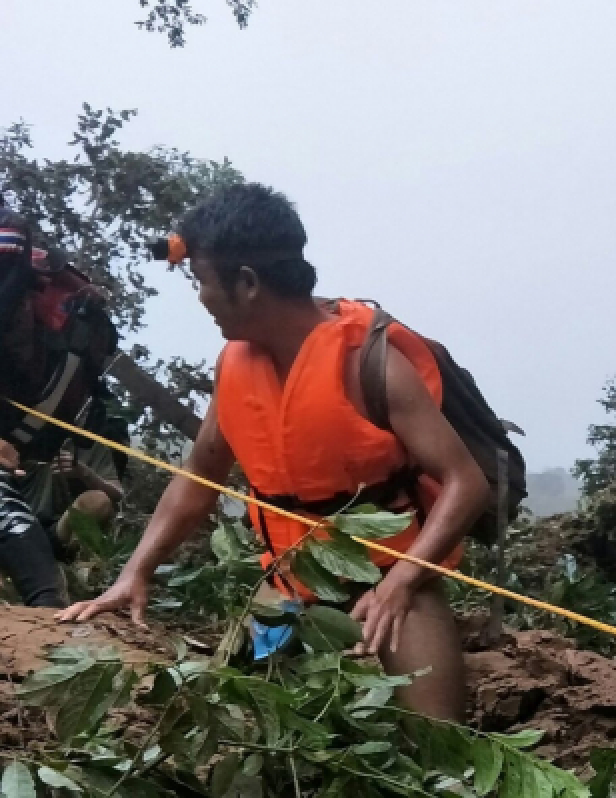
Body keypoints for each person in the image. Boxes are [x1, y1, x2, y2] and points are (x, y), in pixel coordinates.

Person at [58, 183, 487, 721]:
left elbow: (466, 483)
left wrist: (402, 583)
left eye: (201, 282)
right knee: (239, 725)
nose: (200, 298)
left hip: (390, 580)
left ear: (247, 283)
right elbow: (199, 476)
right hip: (285, 584)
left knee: (438, 748)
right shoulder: (233, 365)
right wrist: (135, 572)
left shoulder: (371, 365)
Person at [0, 199, 129, 610]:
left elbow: (113, 496)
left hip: (44, 515)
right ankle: (45, 600)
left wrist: (81, 472)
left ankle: (48, 602)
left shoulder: (83, 415)